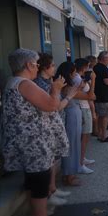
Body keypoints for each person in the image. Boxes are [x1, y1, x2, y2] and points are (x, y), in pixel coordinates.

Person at [2, 48, 67, 216]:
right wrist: (55, 90)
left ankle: (36, 215)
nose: (38, 66)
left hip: (25, 141)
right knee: (40, 180)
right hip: (32, 143)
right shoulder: (24, 84)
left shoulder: (13, 82)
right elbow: (51, 105)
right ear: (29, 64)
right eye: (36, 63)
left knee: (34, 179)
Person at [34, 53, 75, 206]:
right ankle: (49, 193)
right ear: (44, 67)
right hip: (47, 126)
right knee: (48, 161)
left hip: (53, 125)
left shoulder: (48, 81)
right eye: (52, 65)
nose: (54, 68)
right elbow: (55, 107)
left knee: (52, 160)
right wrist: (69, 96)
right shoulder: (40, 84)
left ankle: (52, 189)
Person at [74, 58, 97, 174]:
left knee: (85, 137)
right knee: (84, 137)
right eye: (88, 66)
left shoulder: (80, 78)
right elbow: (91, 95)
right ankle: (80, 163)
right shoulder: (77, 79)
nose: (89, 69)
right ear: (83, 67)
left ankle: (82, 158)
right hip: (83, 109)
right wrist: (93, 80)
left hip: (85, 108)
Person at [93, 51, 108, 143]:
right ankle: (104, 136)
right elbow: (107, 81)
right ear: (104, 58)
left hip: (100, 95)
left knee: (101, 116)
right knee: (105, 116)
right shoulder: (103, 68)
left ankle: (100, 134)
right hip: (103, 96)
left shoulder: (97, 67)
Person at [86, 56, 99, 137]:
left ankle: (94, 129)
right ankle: (95, 130)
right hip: (90, 93)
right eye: (95, 61)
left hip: (90, 92)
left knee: (93, 111)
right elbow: (90, 84)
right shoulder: (90, 72)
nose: (96, 62)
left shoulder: (89, 71)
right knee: (94, 112)